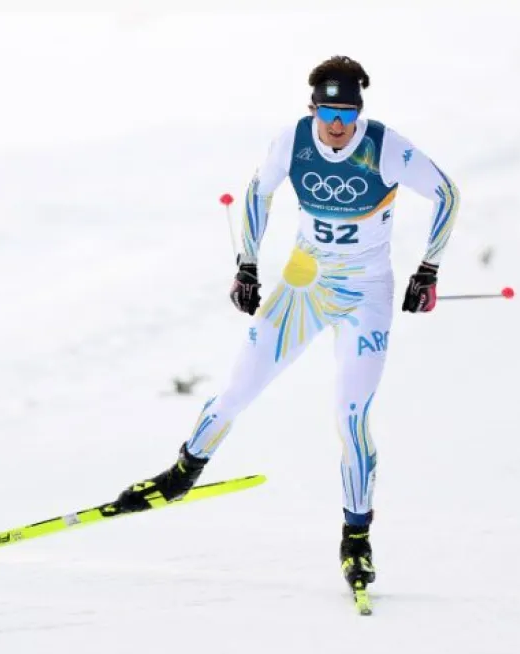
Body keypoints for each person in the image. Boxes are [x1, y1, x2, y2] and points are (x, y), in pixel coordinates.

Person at [116, 55, 461, 594]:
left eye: (348, 112)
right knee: (237, 389)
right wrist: (247, 264)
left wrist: (428, 270)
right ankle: (181, 474)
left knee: (351, 417)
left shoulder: (388, 147)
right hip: (306, 286)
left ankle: (356, 540)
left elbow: (447, 194)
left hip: (365, 296)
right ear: (313, 109)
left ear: (359, 110)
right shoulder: (293, 140)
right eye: (329, 112)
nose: (339, 126)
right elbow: (258, 191)